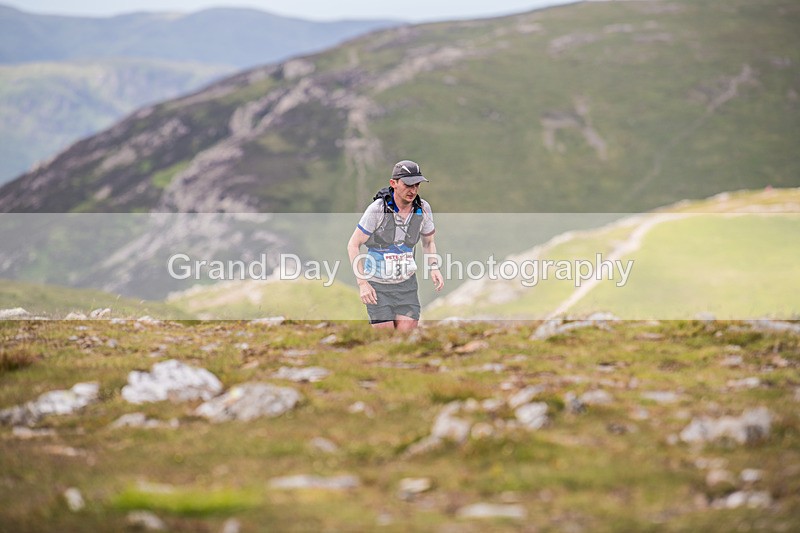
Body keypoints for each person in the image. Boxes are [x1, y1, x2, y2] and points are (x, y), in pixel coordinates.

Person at [347, 160, 444, 330]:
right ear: (394, 183)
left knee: (405, 338)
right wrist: (363, 284)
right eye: (408, 185)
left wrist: (434, 267)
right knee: (386, 339)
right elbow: (353, 245)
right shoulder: (377, 209)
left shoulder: (423, 208)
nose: (413, 190)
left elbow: (428, 242)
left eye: (417, 185)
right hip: (377, 286)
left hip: (406, 286)